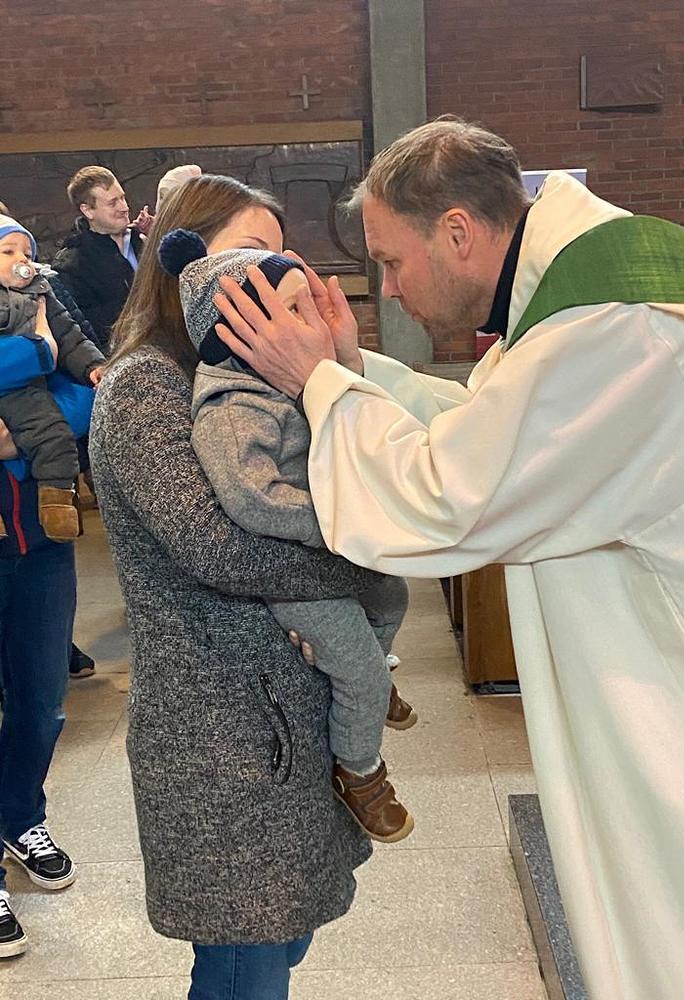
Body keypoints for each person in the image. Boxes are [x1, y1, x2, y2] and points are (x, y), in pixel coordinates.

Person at [212, 118, 684, 1000]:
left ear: (458, 232)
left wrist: (318, 382)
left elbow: (448, 497)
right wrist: (349, 367)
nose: (389, 289)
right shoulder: (578, 287)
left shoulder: (613, 326)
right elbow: (486, 429)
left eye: (393, 262)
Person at [89, 173, 388, 1000]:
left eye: (279, 255)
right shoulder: (145, 385)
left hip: (283, 712)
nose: (271, 275)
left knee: (282, 938)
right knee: (243, 964)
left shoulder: (246, 381)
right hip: (217, 729)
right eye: (250, 252)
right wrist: (366, 562)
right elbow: (219, 549)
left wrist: (341, 365)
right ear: (185, 266)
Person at [159, 231, 415, 842]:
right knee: (359, 673)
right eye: (295, 309)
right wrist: (335, 519)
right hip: (292, 565)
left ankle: (372, 680)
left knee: (393, 596)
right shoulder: (233, 407)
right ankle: (360, 771)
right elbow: (253, 499)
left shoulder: (286, 382)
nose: (315, 322)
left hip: (331, 544)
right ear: (239, 335)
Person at [0, 317, 83, 960]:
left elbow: (86, 394)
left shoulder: (34, 293)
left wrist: (21, 439)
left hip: (39, 540)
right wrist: (35, 354)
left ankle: (20, 816)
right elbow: (46, 358)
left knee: (42, 703)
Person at [0, 214, 104, 541]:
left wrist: (93, 366)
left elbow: (71, 336)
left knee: (54, 436)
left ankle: (57, 503)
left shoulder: (42, 294)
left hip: (29, 393)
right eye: (8, 252)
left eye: (27, 254)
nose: (21, 260)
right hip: (15, 386)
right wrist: (40, 349)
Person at [51, 167, 153, 352]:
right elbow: (87, 332)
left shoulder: (145, 241)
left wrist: (158, 239)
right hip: (119, 357)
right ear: (88, 210)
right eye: (113, 203)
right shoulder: (72, 265)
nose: (124, 207)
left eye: (122, 198)